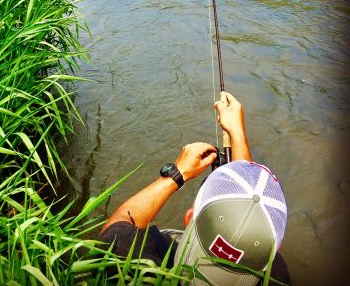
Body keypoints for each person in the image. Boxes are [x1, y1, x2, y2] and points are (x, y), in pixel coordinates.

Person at [99, 92, 291, 285]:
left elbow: (116, 226)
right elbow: (254, 218)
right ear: (273, 249)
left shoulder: (138, 262)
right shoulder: (277, 276)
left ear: (189, 217)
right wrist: (237, 133)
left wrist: (177, 174)